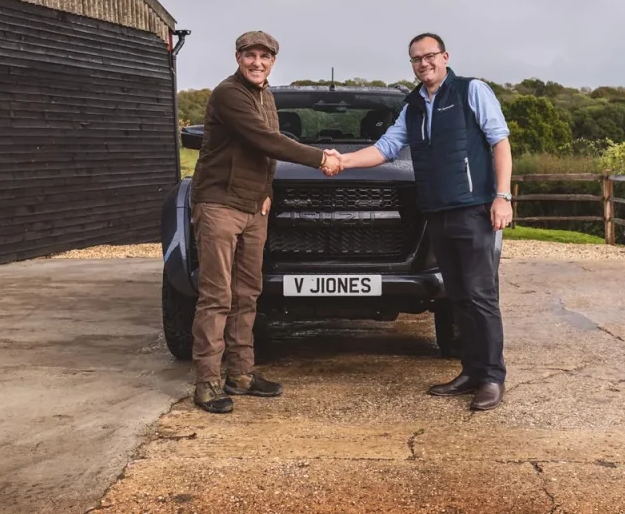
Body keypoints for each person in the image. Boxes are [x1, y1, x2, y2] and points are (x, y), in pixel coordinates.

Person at [332, 32, 512, 411]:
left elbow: (500, 142)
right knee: (458, 296)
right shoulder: (413, 105)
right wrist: (342, 161)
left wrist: (502, 196)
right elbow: (385, 148)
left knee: (481, 296)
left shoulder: (471, 91)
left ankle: (493, 377)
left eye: (429, 56)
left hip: (474, 208)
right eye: (416, 59)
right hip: (437, 212)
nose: (423, 64)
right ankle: (470, 371)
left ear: (445, 56)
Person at [189, 30, 343, 413]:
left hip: (253, 207)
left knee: (247, 293)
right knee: (216, 296)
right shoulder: (229, 94)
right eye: (250, 55)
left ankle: (240, 373)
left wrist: (266, 192)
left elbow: (267, 149)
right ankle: (207, 382)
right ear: (238, 57)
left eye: (265, 56)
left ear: (273, 60)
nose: (257, 62)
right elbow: (265, 139)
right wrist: (320, 158)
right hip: (220, 205)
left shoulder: (266, 96)